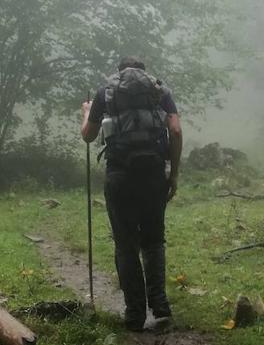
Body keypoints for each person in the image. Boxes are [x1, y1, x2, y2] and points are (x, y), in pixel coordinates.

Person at [81, 56, 183, 332]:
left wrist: (87, 111)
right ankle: (160, 307)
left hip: (120, 177)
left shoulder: (106, 93)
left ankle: (134, 313)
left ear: (119, 72)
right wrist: (173, 174)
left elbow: (88, 136)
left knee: (125, 245)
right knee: (153, 240)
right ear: (144, 73)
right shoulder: (160, 91)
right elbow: (175, 130)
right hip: (152, 176)